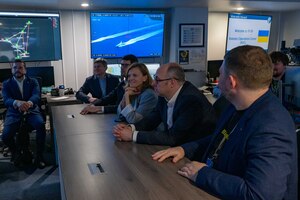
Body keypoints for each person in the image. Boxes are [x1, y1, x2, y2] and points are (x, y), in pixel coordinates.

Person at [152, 46, 297, 199]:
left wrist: (203, 174)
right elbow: (221, 138)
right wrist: (184, 149)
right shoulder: (233, 105)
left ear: (231, 82)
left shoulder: (271, 126)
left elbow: (259, 195)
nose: (217, 80)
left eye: (220, 74)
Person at [112, 62, 217, 146]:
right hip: (174, 148)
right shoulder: (164, 95)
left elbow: (173, 137)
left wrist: (132, 135)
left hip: (192, 155)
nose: (153, 83)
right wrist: (131, 128)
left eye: (157, 79)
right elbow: (151, 120)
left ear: (172, 83)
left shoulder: (191, 101)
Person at [2, 59, 47, 168]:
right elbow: (6, 100)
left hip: (31, 111)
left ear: (25, 70)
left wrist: (28, 103)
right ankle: (15, 153)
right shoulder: (6, 83)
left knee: (40, 125)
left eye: (20, 67)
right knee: (5, 136)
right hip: (14, 113)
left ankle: (39, 156)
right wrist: (17, 103)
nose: (18, 70)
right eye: (15, 68)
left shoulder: (33, 81)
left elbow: (36, 95)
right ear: (12, 70)